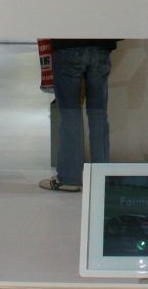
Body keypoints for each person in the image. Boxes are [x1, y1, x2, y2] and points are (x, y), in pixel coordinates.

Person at [40, 39, 118, 193]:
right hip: (101, 45)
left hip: (68, 44)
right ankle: (101, 176)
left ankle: (69, 178)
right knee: (99, 114)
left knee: (70, 114)